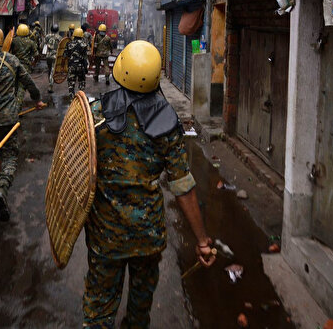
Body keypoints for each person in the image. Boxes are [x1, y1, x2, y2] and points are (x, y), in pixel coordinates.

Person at [84, 41, 215, 327]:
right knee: (140, 310)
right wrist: (202, 241)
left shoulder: (95, 115)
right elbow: (183, 186)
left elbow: (73, 167)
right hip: (148, 237)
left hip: (105, 235)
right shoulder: (168, 125)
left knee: (98, 309)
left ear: (120, 71)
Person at [0, 25, 45, 222]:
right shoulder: (12, 60)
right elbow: (29, 82)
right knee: (10, 156)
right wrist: (37, 99)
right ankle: (2, 189)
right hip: (9, 119)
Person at [64, 27, 89, 98]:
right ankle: (81, 96)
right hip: (81, 66)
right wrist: (86, 67)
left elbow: (65, 55)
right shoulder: (84, 44)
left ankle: (71, 95)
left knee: (71, 81)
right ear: (82, 35)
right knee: (81, 81)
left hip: (72, 65)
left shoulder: (69, 44)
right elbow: (85, 57)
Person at [45, 24, 61, 93]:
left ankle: (50, 82)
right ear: (57, 30)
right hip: (55, 56)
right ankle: (50, 85)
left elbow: (45, 44)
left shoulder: (47, 36)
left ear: (51, 29)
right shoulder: (60, 37)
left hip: (48, 55)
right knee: (52, 70)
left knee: (49, 69)